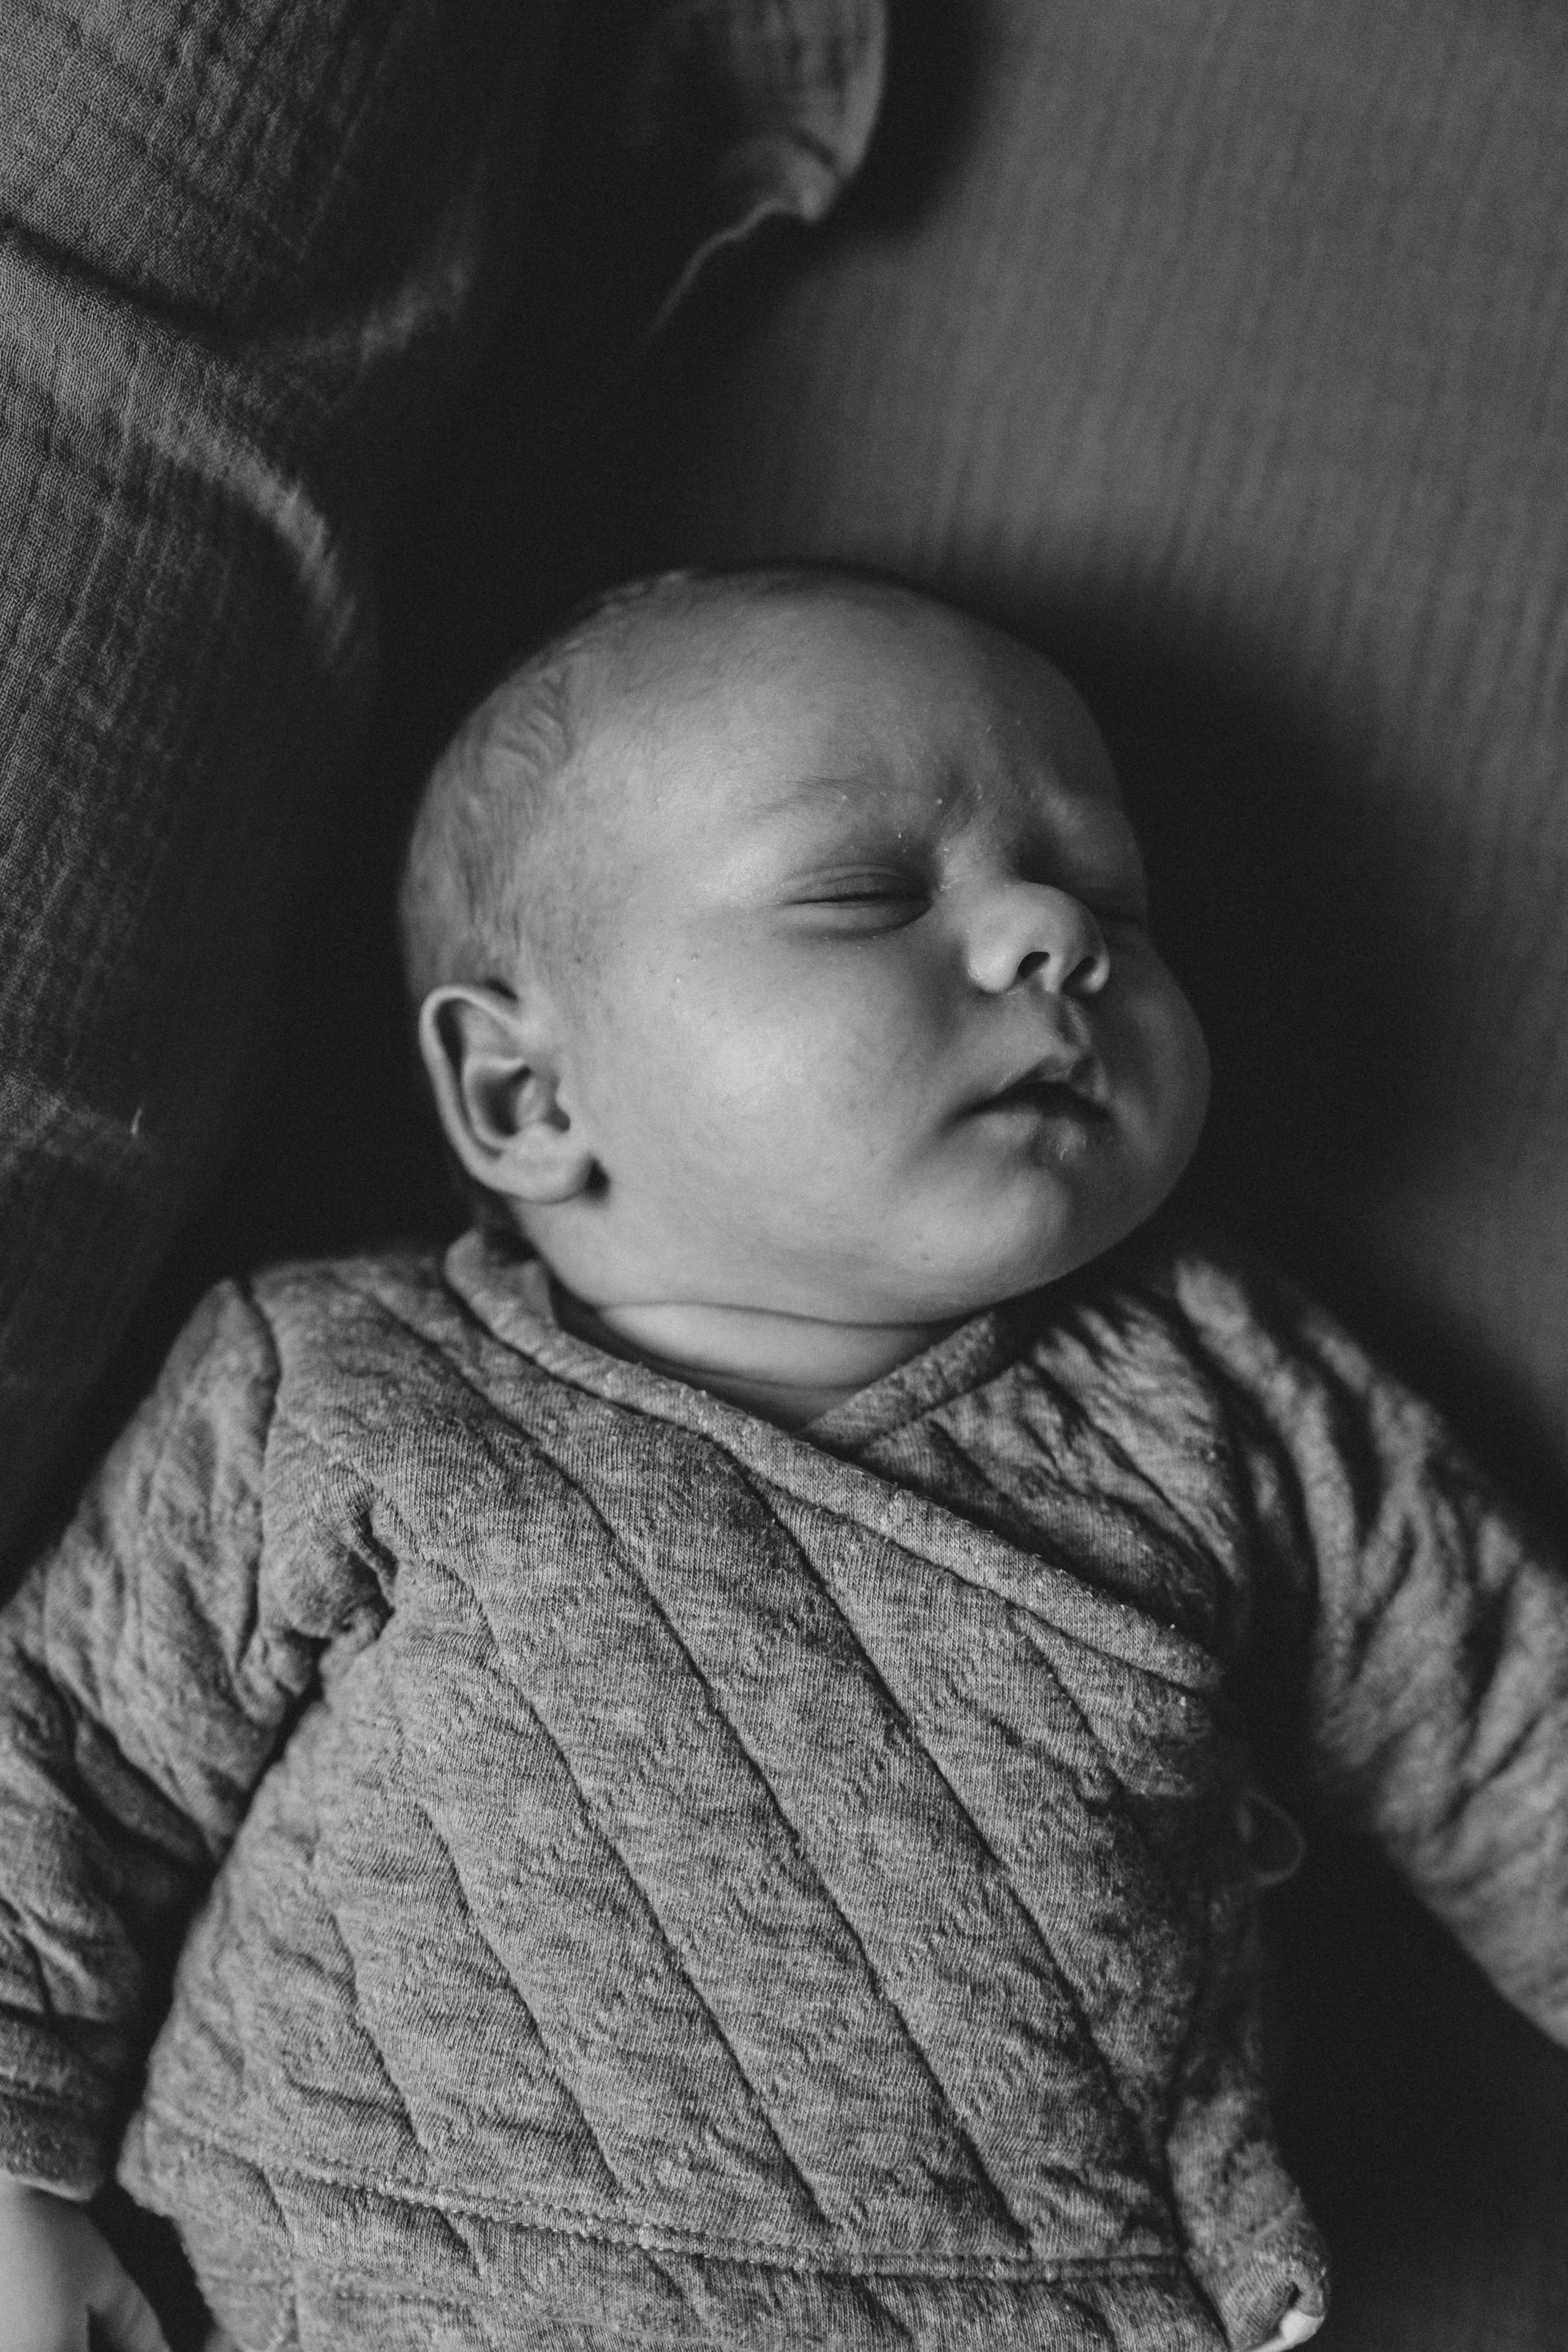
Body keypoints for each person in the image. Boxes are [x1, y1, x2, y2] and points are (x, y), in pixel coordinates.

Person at [1, 567, 1565, 2352]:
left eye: (1116, 902)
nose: (1058, 934)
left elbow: (1516, 1734)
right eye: (862, 892)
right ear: (529, 1096)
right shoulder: (331, 1387)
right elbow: (61, 1762)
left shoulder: (1218, 1391)